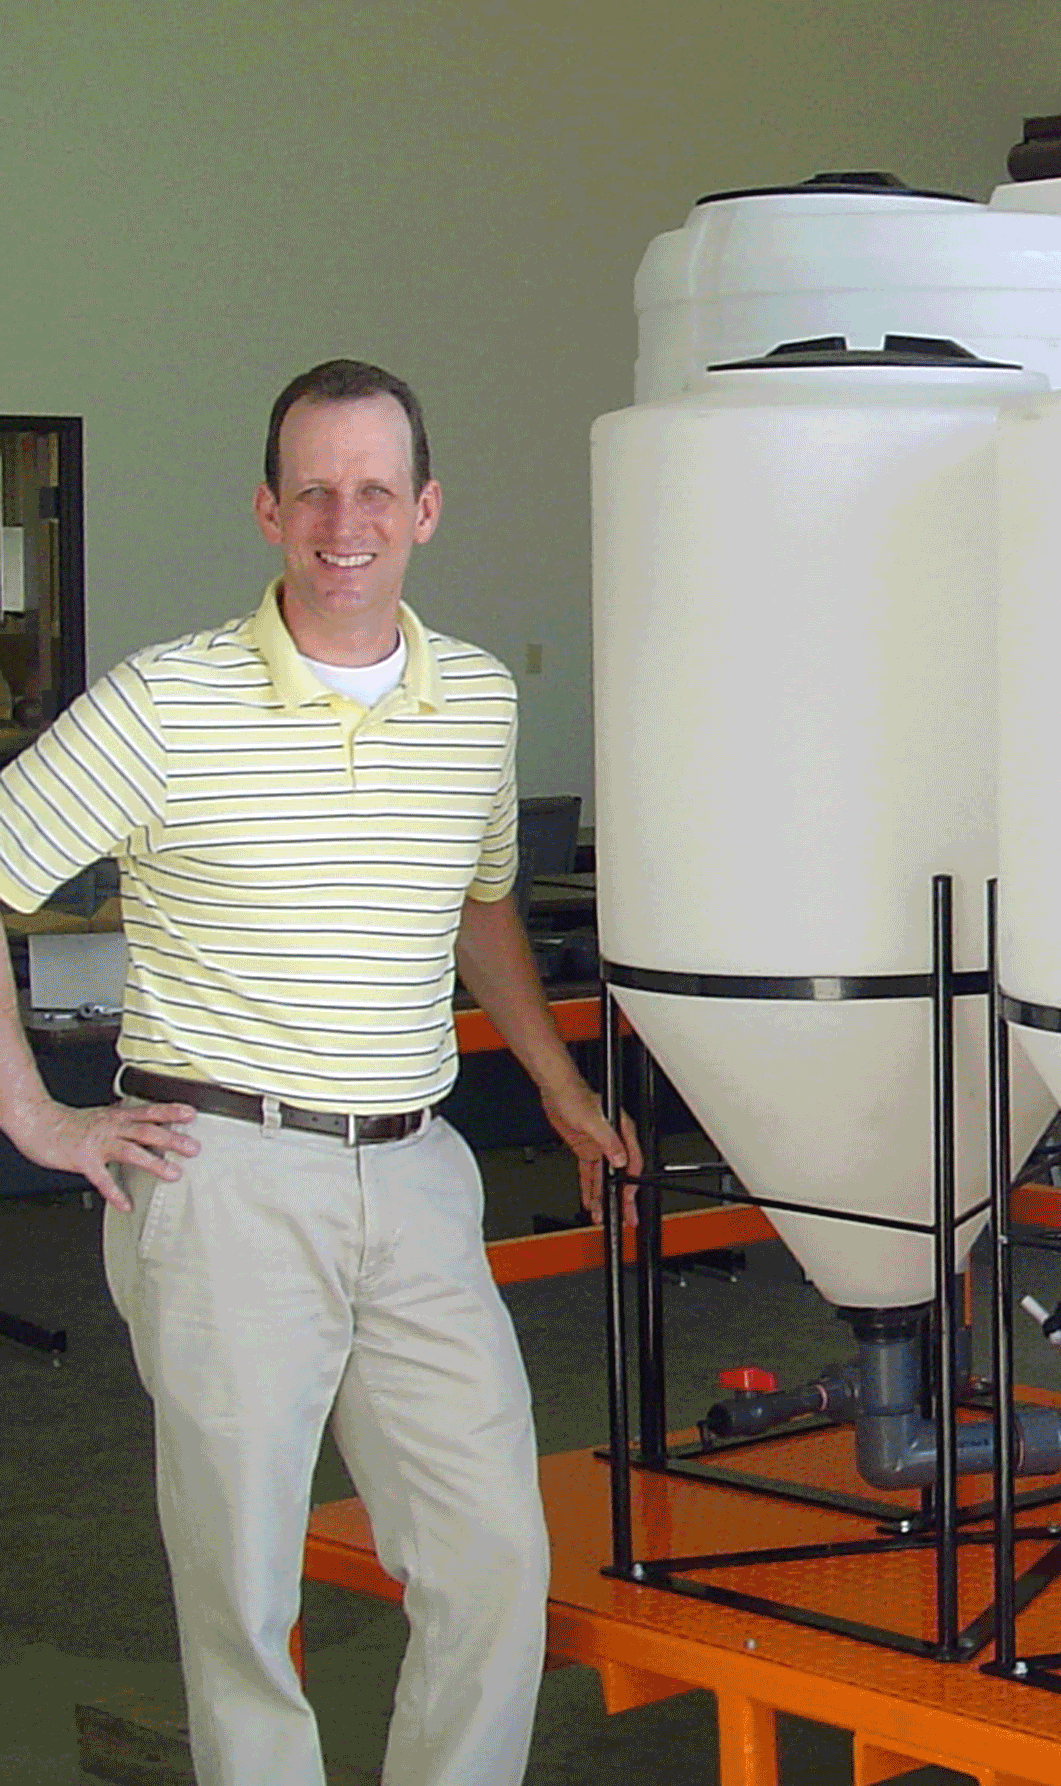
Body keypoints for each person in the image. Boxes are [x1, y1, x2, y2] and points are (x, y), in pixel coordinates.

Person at [0, 359, 636, 1786]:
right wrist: (36, 1114)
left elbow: (479, 902)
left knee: (489, 1558)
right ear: (268, 510)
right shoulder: (166, 702)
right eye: (312, 491)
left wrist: (554, 1082)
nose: (343, 522)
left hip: (416, 1174)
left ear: (425, 508)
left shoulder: (472, 698)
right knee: (244, 1594)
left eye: (373, 491)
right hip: (223, 1178)